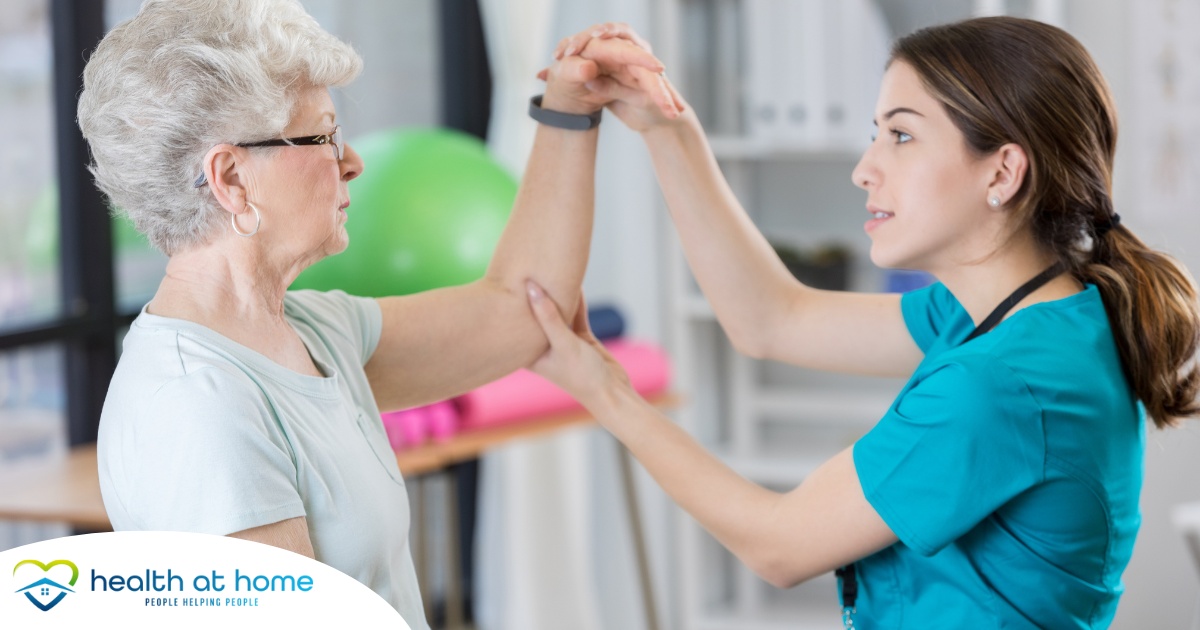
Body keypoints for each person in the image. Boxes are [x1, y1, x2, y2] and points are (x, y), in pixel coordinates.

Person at [527, 17, 1200, 628]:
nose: (863, 170)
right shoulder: (1032, 311)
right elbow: (773, 320)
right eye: (874, 135)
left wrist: (605, 393)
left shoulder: (1002, 381)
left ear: (1003, 171)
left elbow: (780, 543)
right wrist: (666, 127)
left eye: (901, 135)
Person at [77, 1, 672, 626]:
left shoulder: (311, 332)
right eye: (323, 135)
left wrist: (567, 112)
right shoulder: (196, 405)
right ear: (230, 177)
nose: (352, 161)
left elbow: (525, 312)